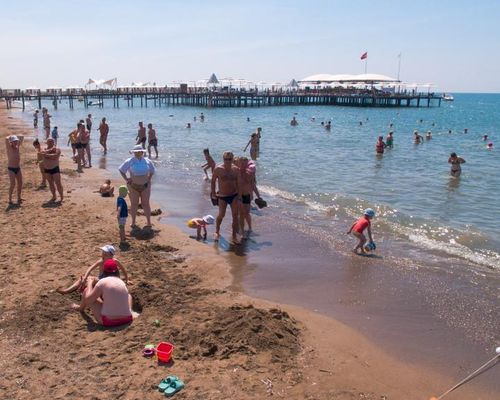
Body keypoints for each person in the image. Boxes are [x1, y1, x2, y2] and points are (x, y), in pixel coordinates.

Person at [57, 245, 130, 294]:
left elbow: (123, 270)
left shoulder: (115, 261)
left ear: (111, 255)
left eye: (105, 254)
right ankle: (67, 290)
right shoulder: (101, 260)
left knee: (90, 279)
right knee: (83, 278)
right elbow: (90, 268)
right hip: (102, 280)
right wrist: (85, 276)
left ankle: (89, 293)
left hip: (106, 281)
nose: (103, 255)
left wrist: (127, 280)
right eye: (103, 253)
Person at [119, 145, 156, 228]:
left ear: (142, 152)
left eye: (139, 152)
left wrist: (149, 179)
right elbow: (121, 170)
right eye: (135, 152)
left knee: (145, 204)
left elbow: (153, 171)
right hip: (133, 186)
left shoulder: (147, 161)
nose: (137, 153)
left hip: (145, 186)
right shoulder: (129, 161)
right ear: (133, 152)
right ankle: (133, 222)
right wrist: (126, 179)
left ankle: (149, 222)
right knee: (134, 204)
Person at [211, 151, 241, 242]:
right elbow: (213, 181)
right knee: (221, 215)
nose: (227, 161)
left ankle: (234, 235)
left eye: (229, 159)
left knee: (235, 215)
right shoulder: (218, 169)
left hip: (234, 195)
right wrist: (213, 194)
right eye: (225, 159)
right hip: (222, 196)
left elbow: (239, 183)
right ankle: (217, 231)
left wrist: (240, 196)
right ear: (223, 159)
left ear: (233, 159)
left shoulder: (236, 169)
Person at [237, 157, 260, 238]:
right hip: (238, 196)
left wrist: (259, 196)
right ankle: (241, 230)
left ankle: (250, 227)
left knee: (246, 213)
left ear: (247, 164)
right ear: (239, 163)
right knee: (240, 213)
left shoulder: (249, 173)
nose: (243, 165)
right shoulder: (236, 172)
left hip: (246, 195)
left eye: (245, 163)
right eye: (242, 163)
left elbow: (253, 186)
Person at [39, 138, 63, 202]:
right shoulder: (44, 149)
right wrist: (50, 150)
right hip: (47, 169)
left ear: (54, 142)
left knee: (58, 183)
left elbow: (55, 156)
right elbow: (41, 153)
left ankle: (61, 196)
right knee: (50, 183)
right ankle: (54, 196)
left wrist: (46, 155)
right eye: (49, 141)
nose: (50, 143)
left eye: (52, 141)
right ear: (47, 142)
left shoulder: (57, 149)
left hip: (55, 168)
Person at [5, 135, 23, 205]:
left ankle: (19, 197)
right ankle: (10, 199)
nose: (15, 142)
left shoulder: (17, 147)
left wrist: (15, 137)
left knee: (20, 183)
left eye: (16, 141)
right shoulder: (9, 148)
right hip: (11, 169)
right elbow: (6, 139)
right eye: (14, 141)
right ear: (11, 142)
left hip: (18, 168)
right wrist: (11, 136)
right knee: (13, 184)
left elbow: (22, 137)